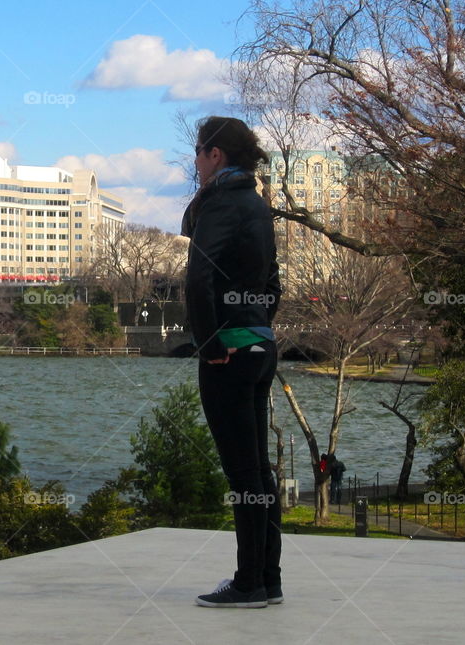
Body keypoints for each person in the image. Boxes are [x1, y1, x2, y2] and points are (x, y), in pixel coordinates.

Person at [183, 116, 283, 609]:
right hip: (260, 345)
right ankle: (268, 578)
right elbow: (273, 283)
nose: (196, 161)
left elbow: (198, 279)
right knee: (258, 471)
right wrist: (258, 325)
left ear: (215, 155)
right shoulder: (258, 205)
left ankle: (248, 585)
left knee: (243, 475)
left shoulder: (221, 202)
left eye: (198, 151)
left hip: (232, 352)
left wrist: (211, 345)